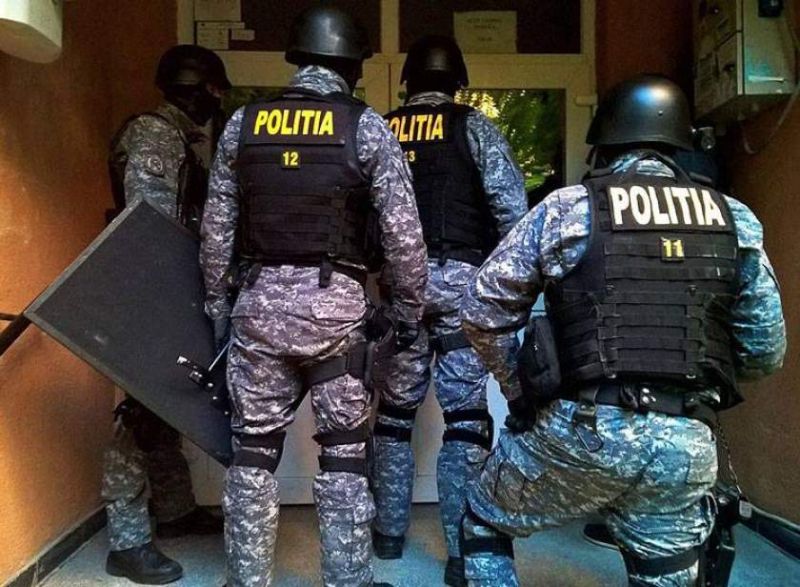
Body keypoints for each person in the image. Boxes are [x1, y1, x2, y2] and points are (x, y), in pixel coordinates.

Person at [457, 75, 786, 587]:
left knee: (482, 522)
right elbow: (764, 351)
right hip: (684, 443)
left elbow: (482, 310)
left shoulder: (568, 209)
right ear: (682, 142)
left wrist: (519, 389)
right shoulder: (734, 219)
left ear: (603, 143)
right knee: (664, 570)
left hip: (581, 433)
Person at [198, 6, 427, 587]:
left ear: (298, 58)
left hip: (257, 312)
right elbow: (404, 237)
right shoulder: (364, 127)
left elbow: (216, 230)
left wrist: (220, 309)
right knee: (346, 456)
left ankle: (245, 580)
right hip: (336, 320)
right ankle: (348, 580)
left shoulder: (243, 124)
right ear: (352, 65)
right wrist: (406, 314)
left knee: (252, 454)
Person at [371, 35, 527, 586]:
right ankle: (462, 554)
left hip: (401, 288)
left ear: (408, 81)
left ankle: (388, 536)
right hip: (463, 284)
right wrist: (508, 290)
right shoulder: (474, 128)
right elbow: (513, 213)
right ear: (457, 81)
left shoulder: (381, 129)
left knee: (394, 417)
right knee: (464, 421)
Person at [102, 44, 230, 584]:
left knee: (163, 405)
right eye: (214, 92)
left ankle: (175, 510)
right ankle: (126, 541)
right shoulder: (155, 135)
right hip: (147, 291)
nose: (217, 102)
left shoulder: (180, 139)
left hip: (162, 289)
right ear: (196, 90)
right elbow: (149, 227)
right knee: (138, 412)